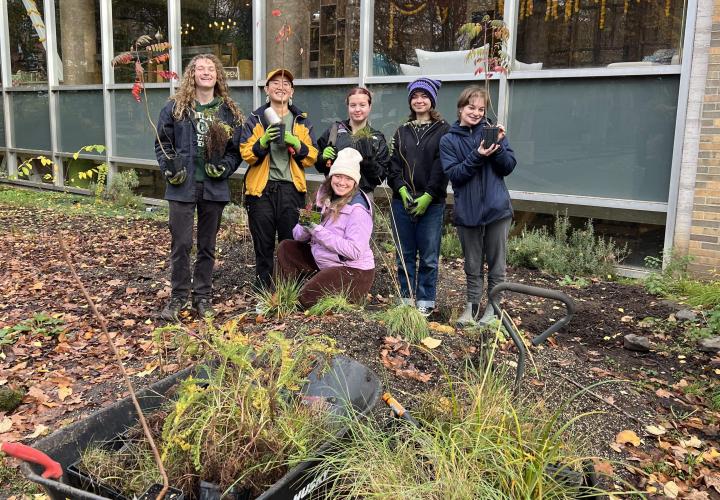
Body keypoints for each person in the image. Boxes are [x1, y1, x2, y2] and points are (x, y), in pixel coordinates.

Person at [155, 54, 244, 321]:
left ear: (218, 75)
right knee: (181, 243)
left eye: (211, 69)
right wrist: (170, 168)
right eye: (200, 68)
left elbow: (235, 150)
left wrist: (226, 167)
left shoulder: (228, 111)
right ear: (191, 75)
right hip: (183, 185)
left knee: (208, 245)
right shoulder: (175, 108)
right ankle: (178, 296)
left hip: (213, 187)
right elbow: (162, 144)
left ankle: (202, 296)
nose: (206, 72)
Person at [439, 85, 517, 326]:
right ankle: (471, 309)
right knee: (472, 266)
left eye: (481, 109)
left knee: (497, 265)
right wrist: (478, 154)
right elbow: (456, 175)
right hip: (468, 212)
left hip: (497, 210)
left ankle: (494, 311)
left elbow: (508, 166)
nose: (476, 113)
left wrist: (497, 149)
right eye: (471, 107)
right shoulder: (448, 140)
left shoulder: (492, 132)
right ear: (461, 108)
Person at [239, 69, 319, 290]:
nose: (281, 86)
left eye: (286, 83)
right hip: (260, 191)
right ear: (266, 89)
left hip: (291, 190)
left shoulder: (301, 120)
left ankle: (288, 292)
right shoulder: (255, 119)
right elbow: (247, 154)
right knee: (263, 245)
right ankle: (263, 291)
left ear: (292, 90)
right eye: (275, 82)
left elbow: (312, 156)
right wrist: (263, 141)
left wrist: (296, 143)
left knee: (290, 243)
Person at [277, 148, 375, 308]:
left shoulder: (358, 209)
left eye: (348, 178)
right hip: (325, 263)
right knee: (286, 247)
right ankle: (284, 294)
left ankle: (300, 298)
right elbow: (298, 236)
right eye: (338, 176)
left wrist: (317, 230)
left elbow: (354, 251)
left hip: (353, 272)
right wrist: (307, 222)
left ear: (355, 182)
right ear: (331, 176)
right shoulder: (323, 195)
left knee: (304, 301)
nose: (342, 182)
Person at [386, 78, 450, 317]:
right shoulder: (402, 131)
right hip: (401, 202)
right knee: (405, 253)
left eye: (424, 96)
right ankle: (405, 297)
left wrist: (429, 195)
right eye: (415, 96)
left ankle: (425, 299)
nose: (419, 100)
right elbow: (393, 165)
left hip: (431, 204)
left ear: (432, 100)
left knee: (429, 255)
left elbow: (442, 166)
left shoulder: (444, 129)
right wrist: (400, 189)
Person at [315, 87, 389, 201]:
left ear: (370, 107)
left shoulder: (376, 138)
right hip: (333, 195)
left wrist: (369, 163)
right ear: (348, 107)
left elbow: (380, 178)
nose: (357, 109)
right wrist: (322, 158)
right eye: (353, 105)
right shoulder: (334, 131)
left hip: (363, 197)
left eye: (362, 105)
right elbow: (318, 165)